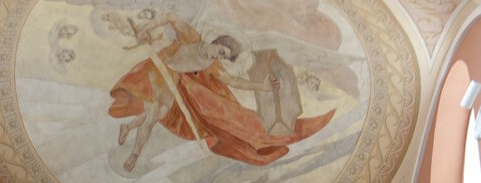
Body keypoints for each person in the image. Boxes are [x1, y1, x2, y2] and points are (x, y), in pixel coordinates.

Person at [109, 11, 334, 172]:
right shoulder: (192, 38)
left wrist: (261, 87)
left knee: (155, 115)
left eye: (224, 56)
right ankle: (134, 156)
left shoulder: (211, 66)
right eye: (221, 50)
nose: (219, 56)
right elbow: (170, 17)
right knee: (150, 117)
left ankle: (127, 127)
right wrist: (144, 30)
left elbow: (233, 80)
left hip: (173, 82)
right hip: (157, 71)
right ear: (216, 41)